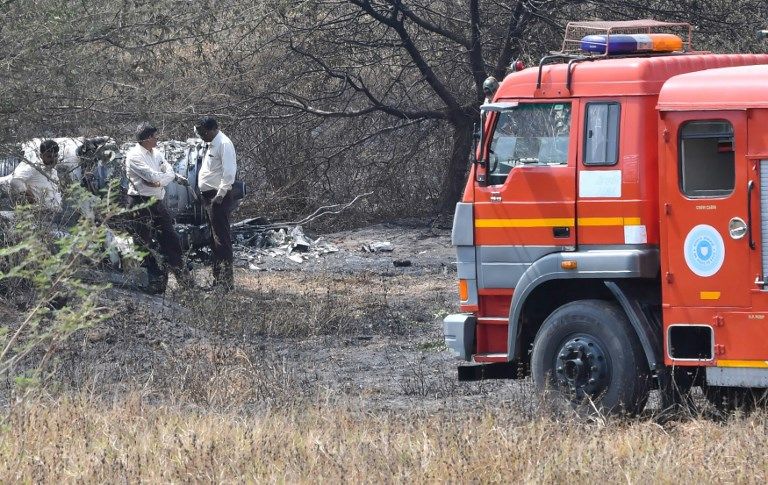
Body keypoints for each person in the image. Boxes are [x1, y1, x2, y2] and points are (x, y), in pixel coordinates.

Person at [124, 122, 193, 291]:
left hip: (157, 202)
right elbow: (151, 176)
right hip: (140, 203)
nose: (157, 139)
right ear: (147, 138)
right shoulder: (134, 156)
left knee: (171, 240)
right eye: (154, 136)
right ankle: (154, 282)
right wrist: (161, 178)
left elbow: (166, 173)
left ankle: (185, 283)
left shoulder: (156, 153)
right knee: (143, 244)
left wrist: (162, 179)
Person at [194, 116, 236, 290]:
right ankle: (218, 279)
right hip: (209, 196)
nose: (201, 136)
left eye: (203, 132)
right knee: (214, 239)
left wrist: (220, 194)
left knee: (222, 240)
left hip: (218, 197)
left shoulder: (224, 143)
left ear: (211, 130)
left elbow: (229, 172)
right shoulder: (211, 143)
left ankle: (225, 283)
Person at [0, 139, 62, 211]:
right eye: (49, 157)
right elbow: (15, 180)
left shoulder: (53, 171)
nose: (53, 159)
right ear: (41, 156)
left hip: (55, 214)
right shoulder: (34, 168)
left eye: (55, 156)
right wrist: (29, 195)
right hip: (39, 213)